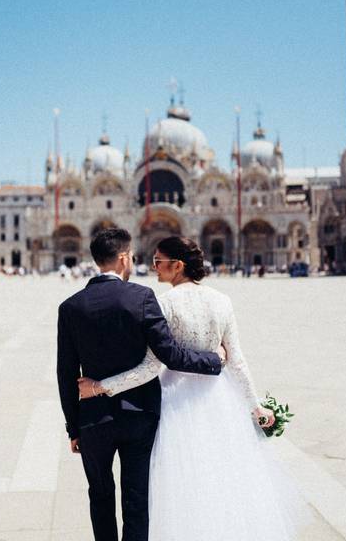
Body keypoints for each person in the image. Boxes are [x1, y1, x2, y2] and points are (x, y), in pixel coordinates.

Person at [78, 236, 308, 540]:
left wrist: (100, 386)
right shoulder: (222, 300)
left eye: (159, 261)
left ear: (178, 265)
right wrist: (255, 406)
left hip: (175, 400)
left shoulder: (162, 303)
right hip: (218, 399)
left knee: (178, 484)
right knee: (222, 478)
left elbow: (151, 367)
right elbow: (237, 360)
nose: (154, 267)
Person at [56, 228, 226, 541]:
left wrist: (73, 428)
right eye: (132, 256)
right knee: (136, 498)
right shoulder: (141, 297)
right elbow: (170, 356)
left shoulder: (70, 307)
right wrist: (214, 360)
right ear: (123, 259)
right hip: (139, 416)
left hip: (93, 419)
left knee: (100, 495)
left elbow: (65, 372)